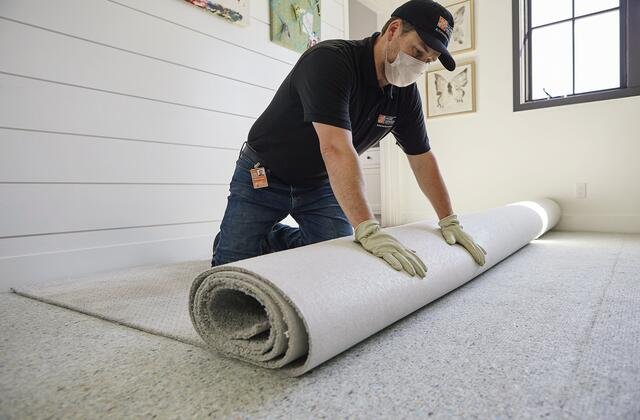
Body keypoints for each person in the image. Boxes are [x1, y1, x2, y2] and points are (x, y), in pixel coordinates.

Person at [211, 0, 486, 277]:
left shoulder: (405, 94)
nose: (418, 65)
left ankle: (272, 238)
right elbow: (335, 148)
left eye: (428, 61)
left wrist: (448, 220)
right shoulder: (330, 61)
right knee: (230, 269)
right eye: (417, 51)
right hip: (264, 174)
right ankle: (242, 239)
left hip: (320, 183)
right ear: (393, 30)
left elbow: (422, 157)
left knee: (339, 259)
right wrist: (368, 228)